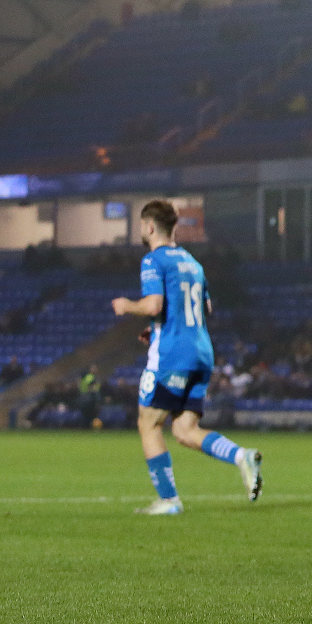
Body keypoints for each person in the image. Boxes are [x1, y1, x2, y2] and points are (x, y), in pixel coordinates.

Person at [112, 200, 262, 516]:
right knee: (184, 430)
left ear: (150, 227)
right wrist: (158, 329)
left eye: (142, 225)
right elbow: (204, 309)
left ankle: (169, 500)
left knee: (148, 422)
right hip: (201, 352)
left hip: (174, 354)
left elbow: (153, 305)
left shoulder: (154, 260)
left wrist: (127, 306)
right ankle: (241, 457)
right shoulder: (193, 263)